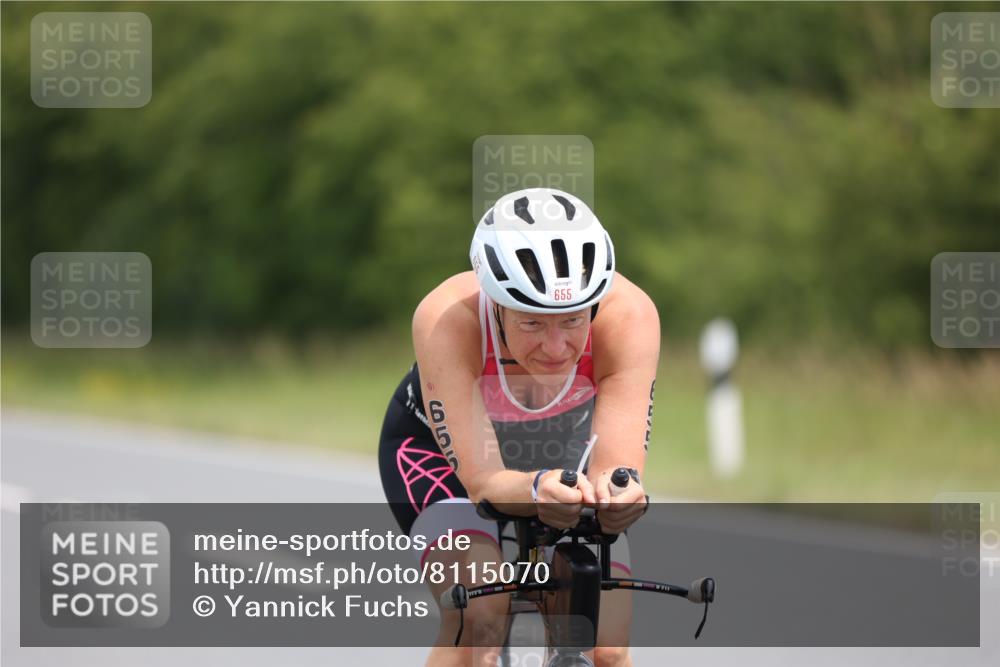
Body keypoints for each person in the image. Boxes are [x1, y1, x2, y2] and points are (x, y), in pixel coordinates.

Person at [378, 187, 659, 667]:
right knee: (480, 613)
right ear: (496, 304)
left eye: (572, 321)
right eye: (532, 323)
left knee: (607, 646)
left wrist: (619, 500)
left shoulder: (628, 316)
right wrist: (534, 487)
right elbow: (484, 482)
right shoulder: (448, 317)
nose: (555, 347)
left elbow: (617, 468)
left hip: (566, 448)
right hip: (444, 456)